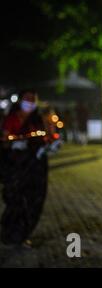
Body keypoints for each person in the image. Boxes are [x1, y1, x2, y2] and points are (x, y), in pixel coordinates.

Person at [0, 90, 49, 247]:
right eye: (27, 99)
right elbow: (4, 140)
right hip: (14, 167)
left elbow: (45, 138)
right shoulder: (11, 118)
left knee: (31, 202)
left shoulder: (37, 120)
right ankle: (9, 234)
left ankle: (22, 236)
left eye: (33, 99)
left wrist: (48, 146)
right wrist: (13, 144)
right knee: (15, 201)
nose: (30, 102)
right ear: (20, 100)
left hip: (34, 168)